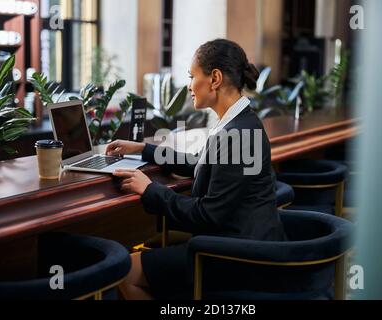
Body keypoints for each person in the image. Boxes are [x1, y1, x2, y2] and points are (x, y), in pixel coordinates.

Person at [106, 39, 285, 300]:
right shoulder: (241, 123)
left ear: (215, 78)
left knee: (123, 270)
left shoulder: (238, 134)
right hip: (247, 242)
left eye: (192, 76)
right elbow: (198, 162)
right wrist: (142, 149)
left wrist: (150, 190)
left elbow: (209, 215)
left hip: (236, 256)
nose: (189, 86)